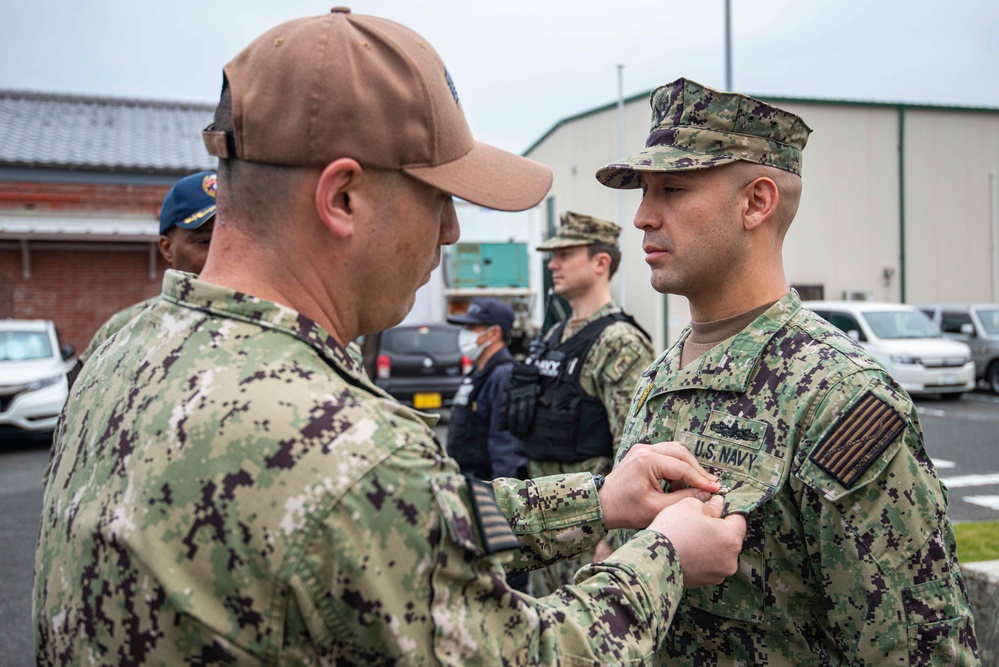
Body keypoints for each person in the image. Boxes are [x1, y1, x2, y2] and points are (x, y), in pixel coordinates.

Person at [32, 12, 746, 665]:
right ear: (342, 197)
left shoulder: (123, 344)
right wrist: (662, 557)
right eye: (436, 198)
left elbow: (398, 524)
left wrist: (597, 498)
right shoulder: (351, 449)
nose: (451, 231)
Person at [597, 77, 980, 664]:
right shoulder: (659, 376)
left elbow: (913, 648)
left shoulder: (840, 398)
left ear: (757, 202)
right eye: (644, 193)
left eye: (671, 189)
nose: (643, 218)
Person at [503, 211, 655, 597]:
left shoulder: (618, 342)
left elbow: (635, 448)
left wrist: (617, 542)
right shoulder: (553, 334)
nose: (552, 264)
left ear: (600, 262)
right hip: (545, 526)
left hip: (590, 535)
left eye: (565, 254)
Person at [77, 170, 216, 366]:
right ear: (167, 248)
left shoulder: (270, 319)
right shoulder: (123, 331)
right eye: (205, 241)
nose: (224, 252)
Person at [446, 297, 524, 480]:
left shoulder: (504, 375)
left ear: (494, 333)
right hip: (467, 479)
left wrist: (501, 499)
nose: (465, 334)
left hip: (485, 485)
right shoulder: (478, 371)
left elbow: (505, 445)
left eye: (472, 328)